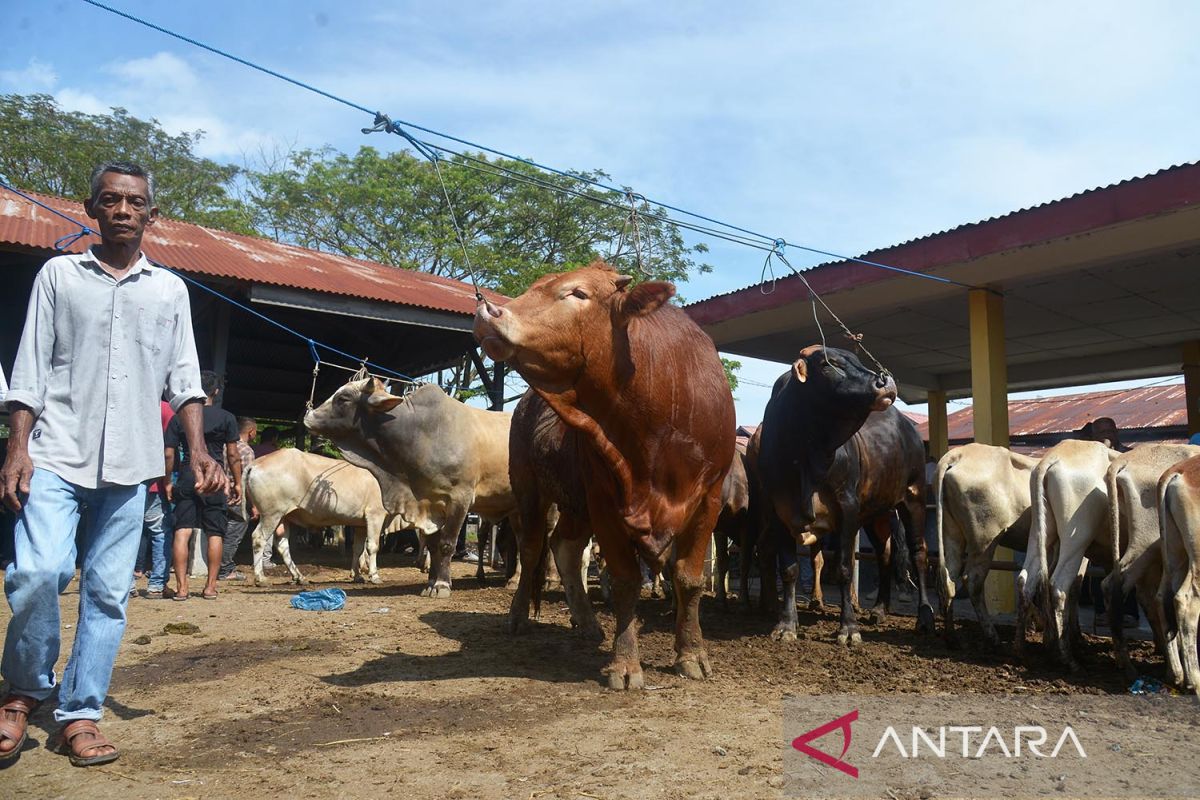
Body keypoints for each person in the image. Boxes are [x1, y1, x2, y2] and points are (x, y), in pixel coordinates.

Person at [0, 161, 227, 766]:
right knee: (38, 575)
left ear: (152, 214)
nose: (122, 210)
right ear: (91, 208)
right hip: (55, 453)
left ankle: (80, 712)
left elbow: (185, 378)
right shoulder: (58, 276)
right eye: (110, 200)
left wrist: (199, 448)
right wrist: (17, 447)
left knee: (106, 593)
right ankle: (24, 690)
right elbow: (30, 368)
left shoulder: (169, 289)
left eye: (134, 202)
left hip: (132, 466)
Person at [164, 371, 241, 601]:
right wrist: (237, 483)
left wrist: (168, 481)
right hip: (215, 478)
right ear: (215, 392)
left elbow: (168, 454)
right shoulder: (227, 417)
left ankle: (182, 588)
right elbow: (233, 454)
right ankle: (210, 587)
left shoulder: (179, 418)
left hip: (188, 475)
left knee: (182, 530)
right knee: (215, 532)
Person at [133, 400, 176, 596]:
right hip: (153, 482)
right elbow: (169, 452)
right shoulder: (166, 409)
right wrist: (166, 481)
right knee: (160, 533)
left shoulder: (128, 402)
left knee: (126, 532)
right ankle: (157, 584)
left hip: (123, 481)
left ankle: (126, 584)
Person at [217, 416, 257, 581]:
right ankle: (225, 569)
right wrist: (254, 505)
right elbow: (247, 481)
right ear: (251, 432)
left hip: (220, 494)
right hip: (237, 497)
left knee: (220, 531)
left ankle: (216, 565)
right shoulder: (246, 451)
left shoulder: (224, 447)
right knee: (234, 533)